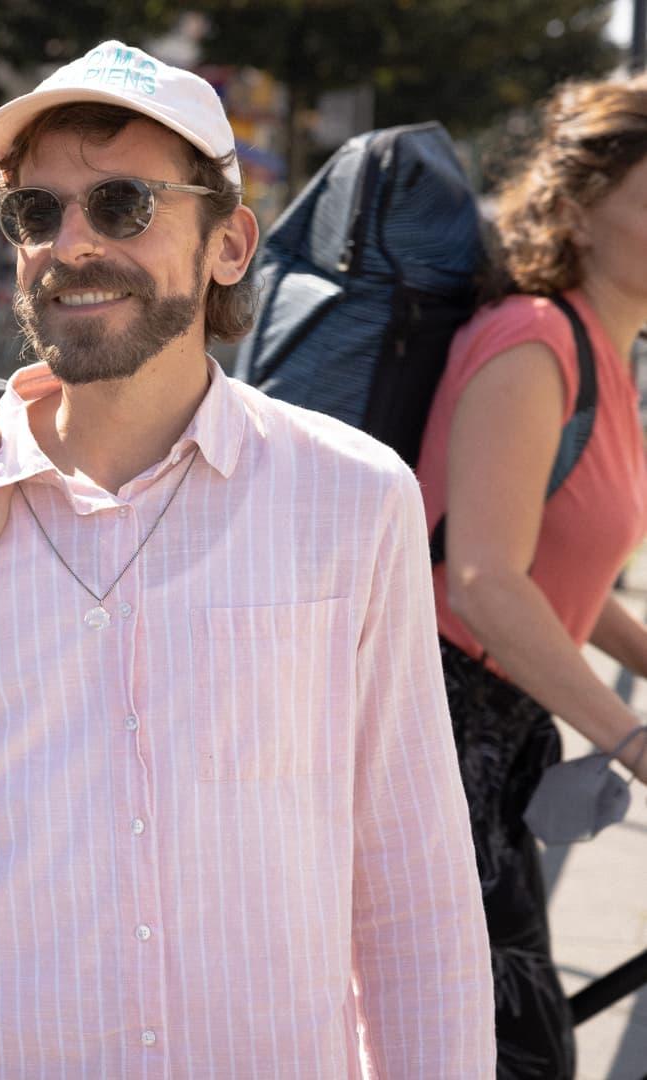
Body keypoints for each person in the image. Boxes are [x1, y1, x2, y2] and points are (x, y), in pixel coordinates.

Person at [0, 40, 494, 1076]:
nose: (71, 244)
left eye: (122, 206)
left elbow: (414, 891)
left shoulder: (350, 499)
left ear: (229, 244)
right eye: (36, 213)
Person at [414, 72, 647, 1079]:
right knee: (508, 1054)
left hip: (497, 736)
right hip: (435, 732)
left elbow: (559, 570)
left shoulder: (606, 353)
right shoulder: (535, 341)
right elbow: (485, 583)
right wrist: (633, 737)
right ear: (582, 208)